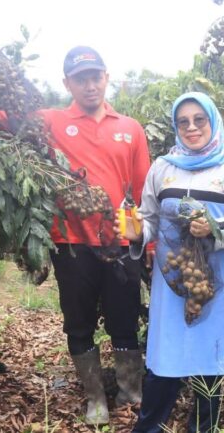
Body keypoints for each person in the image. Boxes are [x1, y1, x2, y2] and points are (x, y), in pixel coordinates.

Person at [121, 92, 224, 433]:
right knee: (167, 357)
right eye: (183, 122)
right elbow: (148, 218)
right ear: (176, 127)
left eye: (199, 120)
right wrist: (137, 231)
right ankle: (149, 426)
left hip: (216, 282)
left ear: (212, 121)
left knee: (208, 360)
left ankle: (202, 428)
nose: (192, 127)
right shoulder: (162, 168)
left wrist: (213, 226)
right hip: (173, 282)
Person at [40, 46, 151, 425]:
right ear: (67, 83)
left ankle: (130, 390)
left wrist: (147, 243)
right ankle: (95, 398)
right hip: (71, 242)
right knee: (79, 319)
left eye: (95, 76)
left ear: (106, 77)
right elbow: (2, 118)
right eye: (81, 78)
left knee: (124, 317)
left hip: (119, 241)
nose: (90, 85)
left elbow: (144, 190)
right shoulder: (52, 121)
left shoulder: (129, 128)